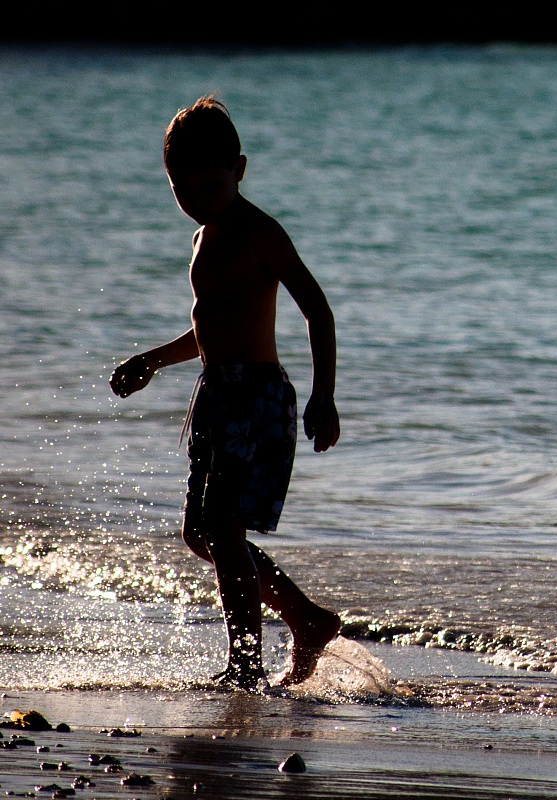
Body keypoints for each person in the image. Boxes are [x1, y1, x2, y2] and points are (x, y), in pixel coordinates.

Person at [110, 96, 341, 691]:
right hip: (215, 395)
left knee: (223, 530)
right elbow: (211, 325)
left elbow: (316, 310)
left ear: (239, 169)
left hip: (256, 399)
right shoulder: (203, 239)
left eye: (212, 185)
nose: (199, 201)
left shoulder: (261, 233)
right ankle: (305, 619)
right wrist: (154, 362)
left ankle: (245, 662)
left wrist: (325, 397)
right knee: (201, 534)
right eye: (183, 191)